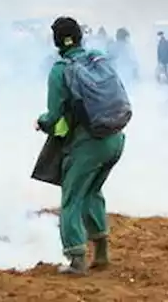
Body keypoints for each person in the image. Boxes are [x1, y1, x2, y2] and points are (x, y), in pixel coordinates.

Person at [36, 17, 128, 275]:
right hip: (115, 138)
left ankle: (76, 259)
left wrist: (42, 123)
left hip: (89, 144)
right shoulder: (97, 58)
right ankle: (101, 253)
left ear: (57, 41)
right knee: (92, 193)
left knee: (72, 199)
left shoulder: (60, 70)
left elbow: (53, 115)